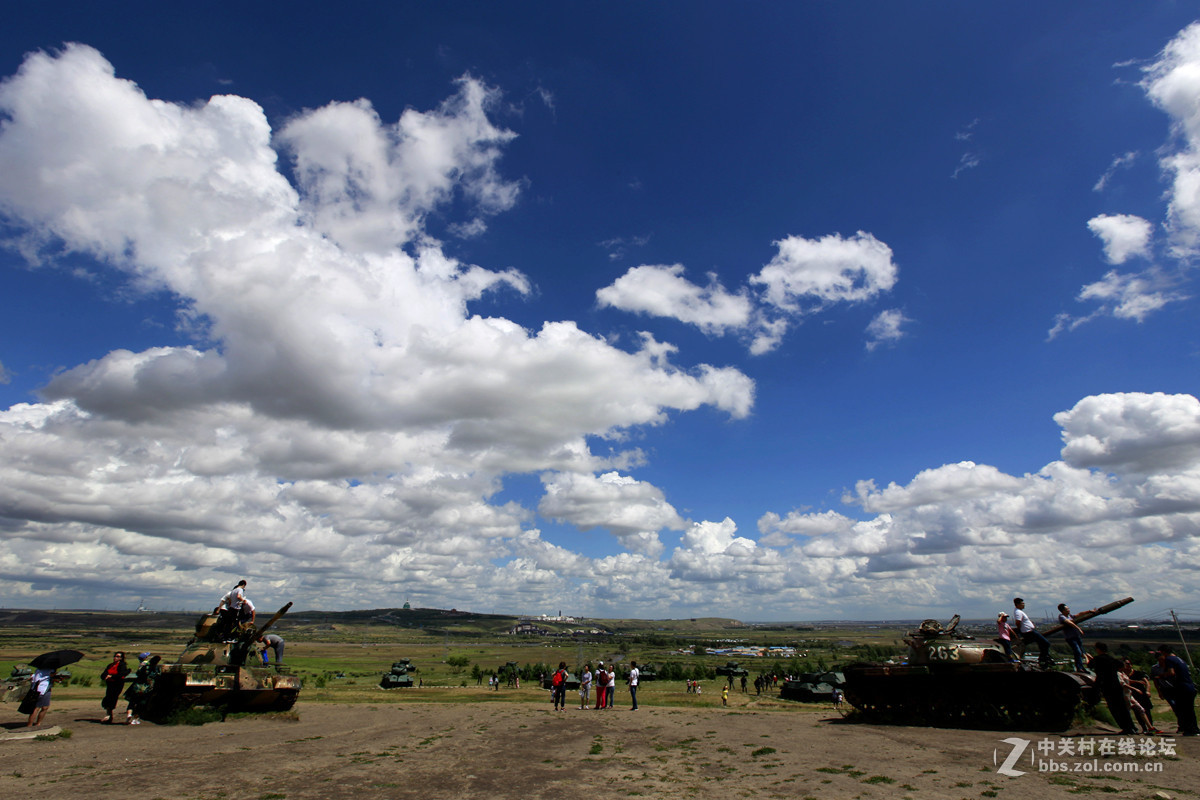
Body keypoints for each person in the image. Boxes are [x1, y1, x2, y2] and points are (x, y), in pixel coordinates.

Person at [1088, 643, 1137, 735]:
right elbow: (1120, 665)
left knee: (1114, 708)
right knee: (1122, 707)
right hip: (1116, 684)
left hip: (1106, 685)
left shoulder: (1097, 659)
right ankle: (1131, 726)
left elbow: (1089, 665)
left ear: (1098, 649)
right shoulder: (1111, 659)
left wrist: (1090, 658)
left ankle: (1125, 727)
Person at [1156, 644, 1199, 735]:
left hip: (1182, 686)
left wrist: (1162, 676)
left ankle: (1188, 729)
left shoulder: (1169, 659)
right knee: (1190, 709)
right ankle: (1194, 728)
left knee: (1183, 709)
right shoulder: (1180, 659)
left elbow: (1171, 672)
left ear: (1164, 652)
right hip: (1190, 685)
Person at [1012, 598, 1052, 667]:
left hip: (1029, 630)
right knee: (1046, 643)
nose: (1024, 605)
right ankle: (1043, 659)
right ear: (1018, 604)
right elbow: (1018, 622)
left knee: (1041, 644)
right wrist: (1020, 630)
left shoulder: (1019, 611)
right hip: (1028, 631)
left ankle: (1043, 659)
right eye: (1022, 603)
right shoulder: (1018, 612)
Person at [124, 653, 160, 725]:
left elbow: (138, 673)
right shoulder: (155, 668)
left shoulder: (143, 665)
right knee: (140, 703)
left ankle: (129, 714)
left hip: (137, 685)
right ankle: (136, 718)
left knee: (132, 701)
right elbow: (158, 675)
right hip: (147, 687)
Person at [1057, 603, 1089, 671]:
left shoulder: (1070, 616)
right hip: (1070, 638)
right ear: (1062, 611)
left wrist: (1089, 611)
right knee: (1077, 651)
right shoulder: (1062, 617)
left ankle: (1082, 667)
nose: (1068, 610)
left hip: (1076, 636)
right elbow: (1069, 622)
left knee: (1082, 652)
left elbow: (1079, 614)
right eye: (1067, 609)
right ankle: (1079, 667)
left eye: (1068, 608)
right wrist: (1078, 628)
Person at [100, 651, 131, 723]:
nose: (115, 658)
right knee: (108, 697)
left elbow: (121, 675)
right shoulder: (110, 665)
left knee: (112, 697)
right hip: (110, 684)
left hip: (117, 684)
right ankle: (109, 714)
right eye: (115, 656)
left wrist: (111, 676)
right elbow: (103, 674)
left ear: (121, 658)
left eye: (117, 656)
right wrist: (105, 676)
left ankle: (109, 715)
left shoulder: (122, 665)